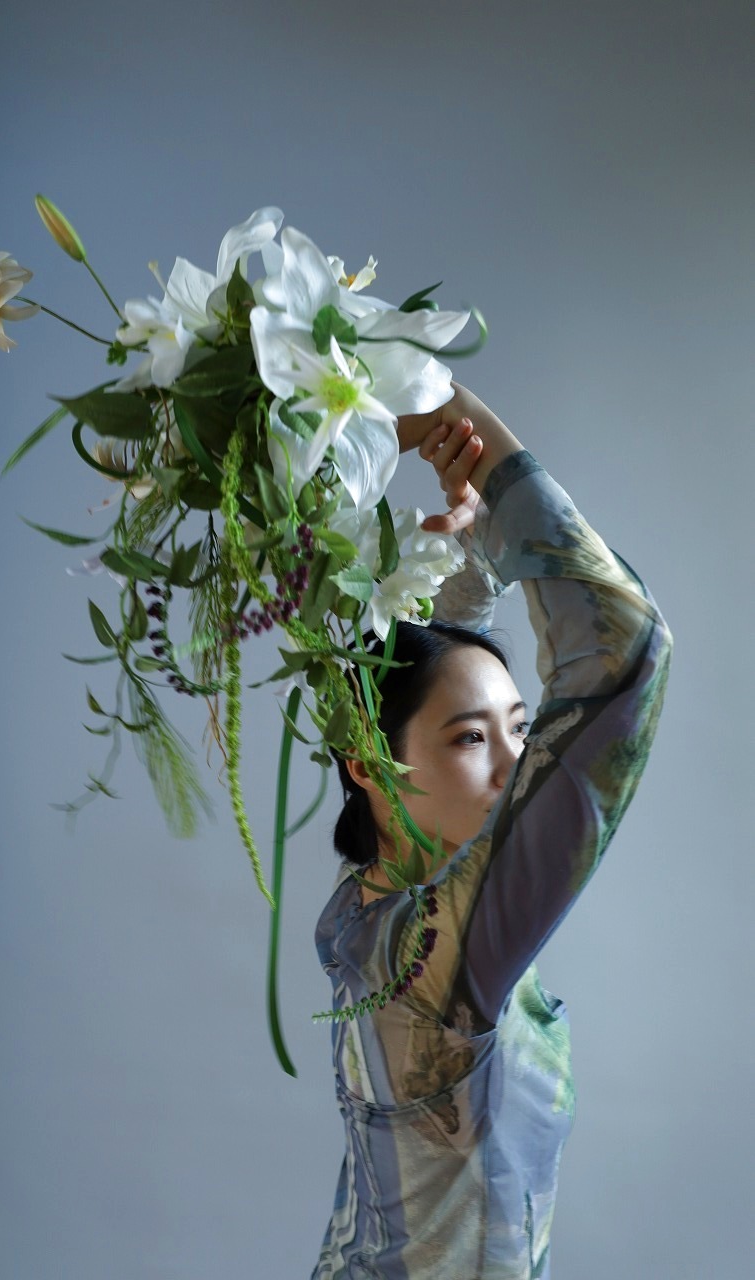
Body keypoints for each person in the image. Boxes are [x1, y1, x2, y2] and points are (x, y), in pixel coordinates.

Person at [311, 383, 673, 1279]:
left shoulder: (375, 905)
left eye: (522, 729)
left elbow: (421, 696)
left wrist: (466, 560)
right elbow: (624, 650)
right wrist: (459, 419)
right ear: (366, 761)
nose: (518, 767)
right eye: (475, 741)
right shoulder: (429, 961)